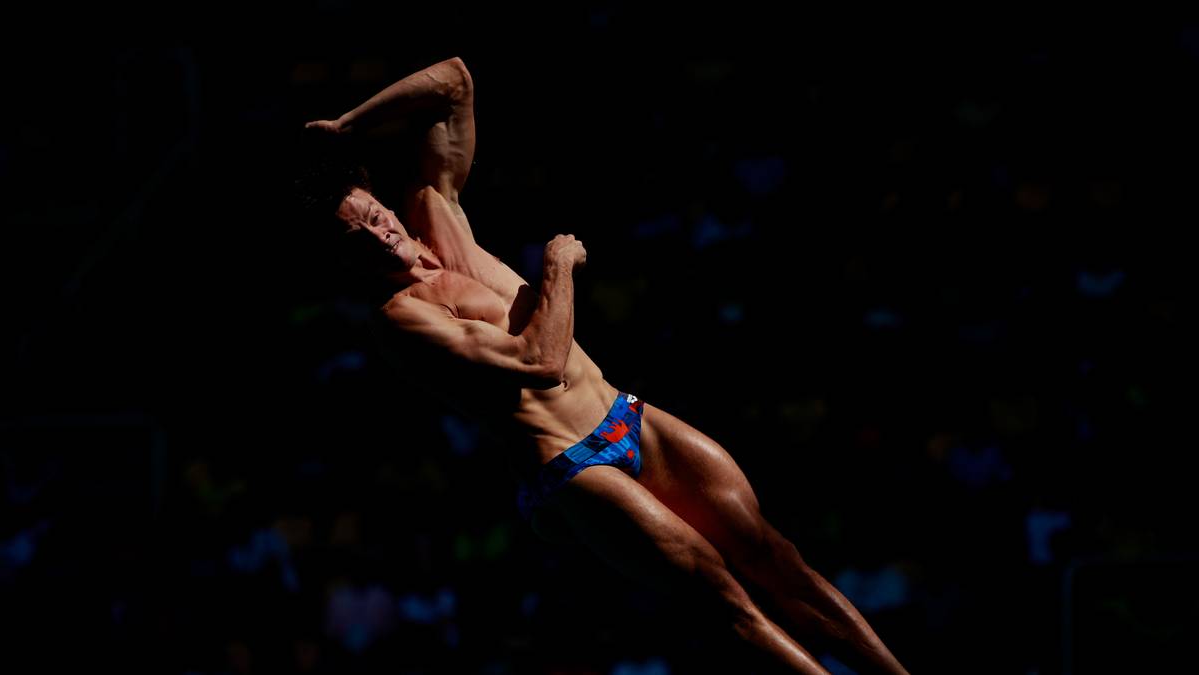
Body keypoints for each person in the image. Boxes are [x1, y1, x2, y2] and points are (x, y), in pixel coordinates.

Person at [297, 56, 910, 674]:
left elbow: (453, 81)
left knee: (777, 558)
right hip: (569, 466)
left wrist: (347, 124)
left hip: (622, 411)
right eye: (359, 239)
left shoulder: (438, 213)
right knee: (727, 599)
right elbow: (538, 364)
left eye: (374, 217)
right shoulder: (402, 317)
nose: (380, 235)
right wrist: (558, 269)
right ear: (345, 260)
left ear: (381, 200)